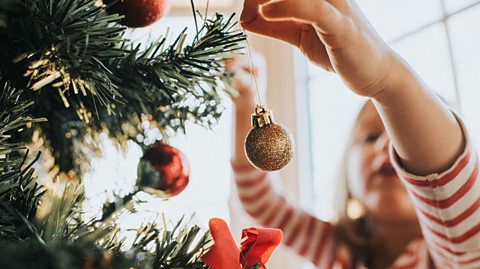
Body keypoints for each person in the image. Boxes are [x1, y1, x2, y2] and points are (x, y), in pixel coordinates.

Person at [229, 0, 480, 268]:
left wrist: (386, 80)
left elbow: (450, 190)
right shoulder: (338, 251)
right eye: (370, 137)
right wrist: (247, 105)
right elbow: (260, 200)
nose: (387, 145)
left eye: (404, 142)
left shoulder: (455, 253)